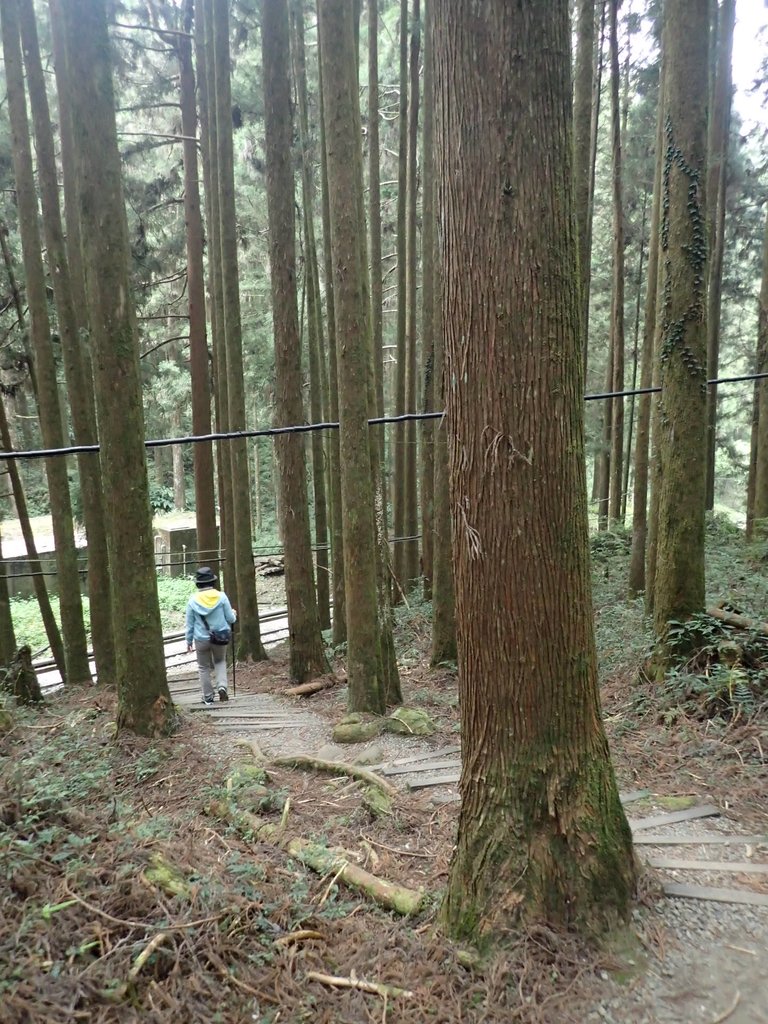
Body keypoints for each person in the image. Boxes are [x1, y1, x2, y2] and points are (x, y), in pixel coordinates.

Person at [185, 566, 237, 705]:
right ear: (213, 582)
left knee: (203, 667)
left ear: (198, 583)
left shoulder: (192, 600)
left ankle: (208, 696)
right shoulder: (222, 597)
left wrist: (188, 641)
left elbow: (189, 624)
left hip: (201, 638)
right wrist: (234, 614)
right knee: (220, 661)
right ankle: (222, 687)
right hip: (220, 637)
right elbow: (231, 619)